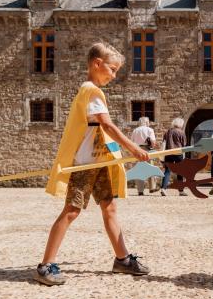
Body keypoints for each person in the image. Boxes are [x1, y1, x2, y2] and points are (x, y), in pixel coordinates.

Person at [34, 42, 151, 286]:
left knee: (109, 208)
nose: (114, 75)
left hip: (100, 163)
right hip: (85, 164)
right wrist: (134, 148)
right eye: (112, 68)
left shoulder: (91, 91)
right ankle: (45, 265)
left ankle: (122, 259)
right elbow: (106, 125)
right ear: (97, 64)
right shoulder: (91, 91)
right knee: (71, 211)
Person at [130, 117, 159, 195]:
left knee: (139, 170)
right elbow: (153, 142)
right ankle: (152, 187)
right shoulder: (150, 130)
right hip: (147, 150)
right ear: (147, 122)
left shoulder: (135, 130)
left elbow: (131, 142)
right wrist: (152, 145)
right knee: (151, 168)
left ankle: (140, 190)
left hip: (137, 150)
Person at [160, 117, 187, 197]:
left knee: (167, 171)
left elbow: (163, 141)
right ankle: (181, 191)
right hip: (178, 153)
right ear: (180, 124)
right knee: (180, 172)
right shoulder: (181, 132)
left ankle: (163, 188)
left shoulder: (167, 132)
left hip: (168, 153)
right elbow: (184, 144)